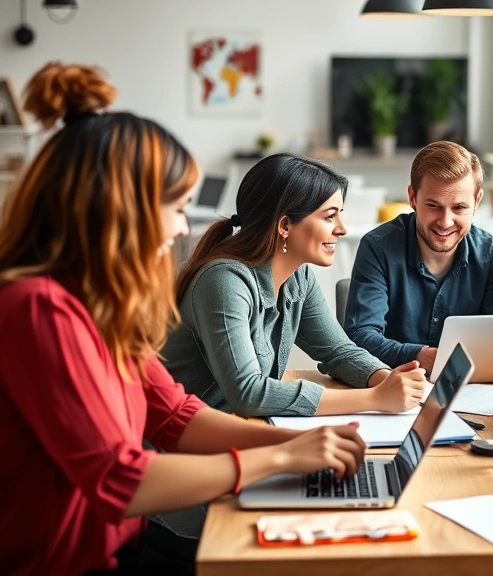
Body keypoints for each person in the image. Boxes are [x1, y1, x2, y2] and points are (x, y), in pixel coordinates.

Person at [0, 62, 367, 575]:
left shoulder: (99, 307)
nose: (180, 228)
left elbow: (175, 417)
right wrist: (281, 458)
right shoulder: (40, 309)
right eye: (174, 207)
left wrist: (300, 443)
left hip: (117, 551)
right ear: (118, 210)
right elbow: (119, 478)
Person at [165, 153, 428, 420]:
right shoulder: (223, 282)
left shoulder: (298, 277)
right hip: (174, 449)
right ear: (284, 226)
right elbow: (248, 393)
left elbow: (339, 351)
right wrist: (375, 398)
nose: (342, 229)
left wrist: (387, 380)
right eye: (329, 217)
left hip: (232, 432)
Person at [345, 141, 493, 373]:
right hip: (390, 388)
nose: (445, 222)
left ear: (477, 201)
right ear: (412, 197)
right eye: (433, 205)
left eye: (459, 208)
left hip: (469, 390)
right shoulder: (378, 248)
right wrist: (419, 355)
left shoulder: (490, 255)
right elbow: (359, 337)